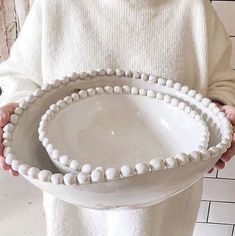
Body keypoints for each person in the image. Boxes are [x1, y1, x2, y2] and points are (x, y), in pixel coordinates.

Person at [0, 0, 235, 235]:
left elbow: (222, 81)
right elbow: (19, 76)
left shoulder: (195, 10)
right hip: (74, 211)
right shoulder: (54, 6)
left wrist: (220, 112)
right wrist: (16, 113)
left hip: (165, 209)